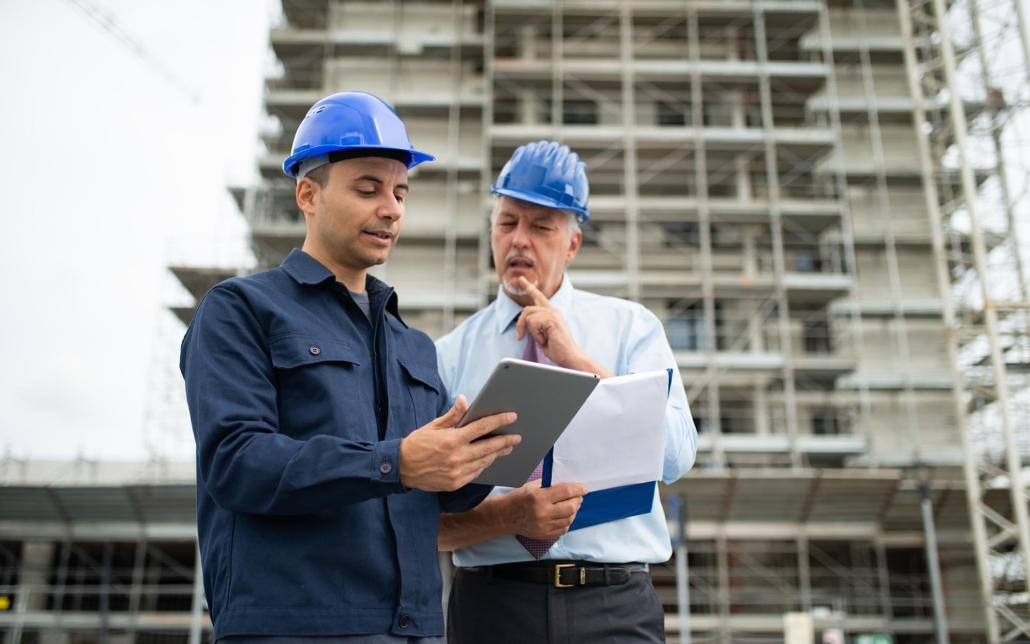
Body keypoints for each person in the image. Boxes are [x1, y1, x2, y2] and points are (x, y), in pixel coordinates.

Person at [180, 91, 520, 644]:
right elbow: (236, 462)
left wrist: (491, 453)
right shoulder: (241, 309)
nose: (391, 208)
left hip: (415, 630)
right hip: (292, 628)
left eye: (400, 193)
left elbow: (432, 494)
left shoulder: (413, 346)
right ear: (307, 194)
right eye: (368, 189)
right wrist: (398, 463)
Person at [435, 140, 698, 643]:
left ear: (572, 244)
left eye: (541, 227)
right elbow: (424, 519)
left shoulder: (631, 328)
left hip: (614, 606)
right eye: (508, 222)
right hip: (491, 608)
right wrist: (508, 516)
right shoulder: (448, 355)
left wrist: (575, 361)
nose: (519, 241)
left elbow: (677, 457)